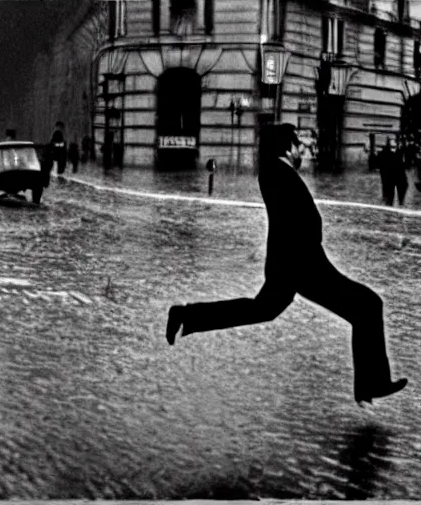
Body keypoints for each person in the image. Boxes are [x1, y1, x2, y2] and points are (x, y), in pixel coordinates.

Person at [166, 123, 407, 407]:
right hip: (304, 266)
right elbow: (291, 220)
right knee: (367, 305)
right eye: (298, 144)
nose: (302, 150)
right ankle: (372, 383)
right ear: (286, 146)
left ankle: (185, 315)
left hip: (294, 265)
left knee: (262, 310)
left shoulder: (277, 171)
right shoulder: (275, 171)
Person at [376, 137, 408, 206]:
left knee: (390, 195)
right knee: (392, 195)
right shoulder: (395, 154)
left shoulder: (384, 154)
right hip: (393, 175)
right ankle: (397, 204)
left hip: (392, 176)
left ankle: (394, 203)